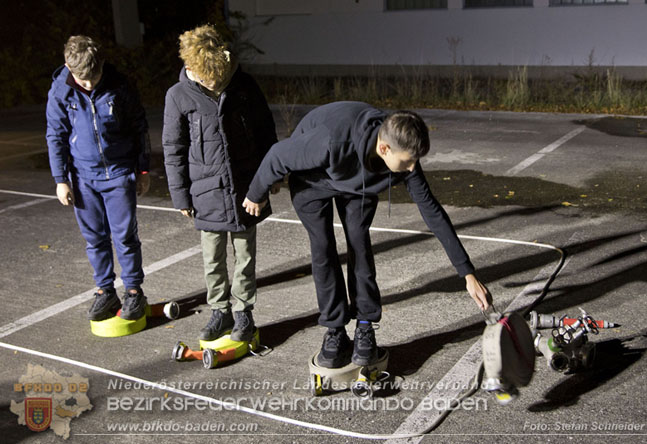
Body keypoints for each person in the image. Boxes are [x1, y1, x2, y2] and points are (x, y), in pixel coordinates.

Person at [243, 101, 491, 368]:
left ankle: (364, 325)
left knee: (359, 244)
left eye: (414, 162)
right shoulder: (330, 141)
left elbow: (433, 212)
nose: (411, 169)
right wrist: (256, 194)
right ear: (384, 148)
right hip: (313, 180)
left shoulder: (401, 153)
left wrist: (468, 274)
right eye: (407, 162)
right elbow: (278, 155)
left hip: (359, 185)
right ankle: (335, 330)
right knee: (323, 248)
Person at [162, 25, 278, 342]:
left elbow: (266, 132)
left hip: (246, 189)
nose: (214, 83)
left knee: (245, 258)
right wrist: (180, 196)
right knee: (213, 260)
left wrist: (271, 177)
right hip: (204, 193)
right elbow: (173, 150)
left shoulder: (244, 86)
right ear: (192, 69)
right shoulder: (178, 96)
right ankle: (220, 311)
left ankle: (243, 313)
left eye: (220, 78)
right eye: (208, 80)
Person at [46, 35, 151, 322]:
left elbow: (139, 127)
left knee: (125, 236)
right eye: (83, 80)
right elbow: (55, 135)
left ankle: (133, 292)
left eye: (94, 77)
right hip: (83, 177)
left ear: (102, 63)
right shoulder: (60, 91)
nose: (90, 85)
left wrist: (143, 170)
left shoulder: (120, 85)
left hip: (119, 173)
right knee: (94, 239)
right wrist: (61, 179)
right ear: (69, 67)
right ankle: (105, 291)